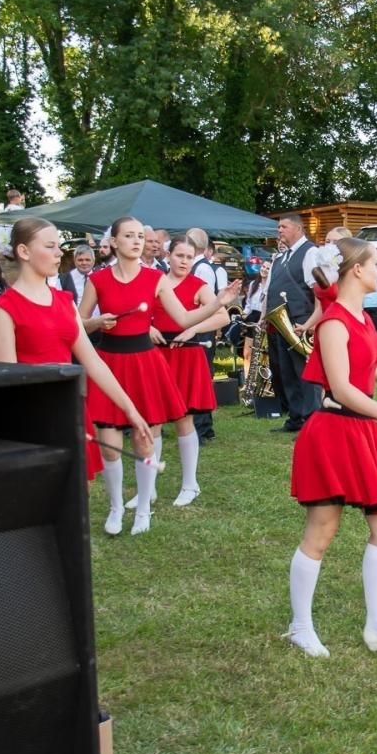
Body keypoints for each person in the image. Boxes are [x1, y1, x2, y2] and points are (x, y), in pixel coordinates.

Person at [284, 237, 377, 658]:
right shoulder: (332, 322)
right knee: (322, 531)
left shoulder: (360, 317)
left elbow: (364, 365)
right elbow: (342, 387)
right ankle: (299, 626)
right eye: (375, 262)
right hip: (333, 432)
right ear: (356, 271)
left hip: (361, 432)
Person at [78, 216, 240, 534]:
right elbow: (79, 322)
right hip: (110, 361)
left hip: (144, 364)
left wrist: (218, 303)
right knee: (109, 444)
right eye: (130, 235)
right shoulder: (97, 279)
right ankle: (114, 508)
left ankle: (142, 510)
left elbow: (182, 317)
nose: (137, 241)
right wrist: (97, 323)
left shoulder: (155, 279)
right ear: (114, 241)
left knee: (144, 439)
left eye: (141, 236)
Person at [0, 217, 152, 489]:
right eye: (50, 246)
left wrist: (130, 410)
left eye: (58, 246)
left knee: (77, 502)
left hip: (70, 412)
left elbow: (93, 362)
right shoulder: (4, 309)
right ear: (24, 252)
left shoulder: (65, 301)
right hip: (33, 421)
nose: (59, 253)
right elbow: (9, 386)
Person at [148, 235, 230, 506]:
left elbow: (223, 316)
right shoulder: (155, 282)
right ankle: (148, 487)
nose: (184, 261)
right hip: (158, 355)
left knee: (184, 420)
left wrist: (192, 328)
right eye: (179, 255)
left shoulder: (199, 285)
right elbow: (138, 313)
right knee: (153, 421)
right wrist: (148, 328)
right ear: (168, 255)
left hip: (187, 356)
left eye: (188, 256)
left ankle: (190, 484)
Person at [266, 213, 321, 432]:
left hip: (300, 321)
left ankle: (312, 421)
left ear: (298, 228)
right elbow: (269, 289)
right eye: (278, 227)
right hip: (279, 322)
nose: (279, 231)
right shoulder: (280, 257)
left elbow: (317, 289)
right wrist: (264, 316)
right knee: (286, 372)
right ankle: (296, 417)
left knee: (304, 373)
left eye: (284, 227)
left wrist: (311, 321)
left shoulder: (310, 252)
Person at [186, 228, 230, 443]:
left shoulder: (201, 268)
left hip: (203, 327)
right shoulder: (200, 266)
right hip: (201, 326)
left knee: (201, 377)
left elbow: (207, 303)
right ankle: (204, 426)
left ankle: (202, 428)